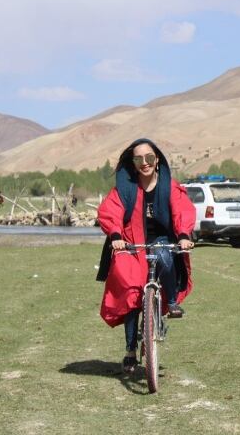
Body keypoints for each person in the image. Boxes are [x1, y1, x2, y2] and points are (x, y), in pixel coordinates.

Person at [96, 138, 195, 374]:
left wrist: (183, 234)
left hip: (162, 239)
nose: (145, 163)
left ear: (157, 159)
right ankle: (130, 350)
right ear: (133, 162)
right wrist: (116, 235)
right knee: (131, 291)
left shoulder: (169, 186)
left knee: (164, 256)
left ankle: (170, 301)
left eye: (149, 157)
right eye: (139, 158)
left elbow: (182, 210)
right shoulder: (125, 188)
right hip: (131, 242)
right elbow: (111, 211)